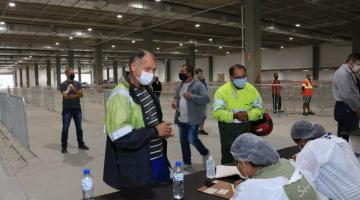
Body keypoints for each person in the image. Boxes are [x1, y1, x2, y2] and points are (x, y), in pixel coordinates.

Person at [103, 49, 173, 189]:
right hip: (140, 164)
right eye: (148, 69)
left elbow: (148, 119)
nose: (151, 74)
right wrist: (155, 131)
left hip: (158, 157)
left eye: (153, 70)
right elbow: (121, 138)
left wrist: (162, 128)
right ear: (133, 67)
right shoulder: (120, 95)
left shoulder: (146, 88)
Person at [230, 133, 320, 200]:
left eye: (237, 163)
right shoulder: (287, 163)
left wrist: (243, 187)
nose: (239, 167)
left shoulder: (249, 188)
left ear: (242, 163)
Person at [290, 120, 360, 200]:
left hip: (348, 196)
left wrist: (298, 158)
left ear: (302, 141)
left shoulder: (311, 147)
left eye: (298, 144)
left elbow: (299, 172)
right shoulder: (335, 139)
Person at [212, 64, 263, 164]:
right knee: (229, 157)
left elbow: (259, 109)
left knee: (247, 157)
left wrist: (249, 114)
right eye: (238, 77)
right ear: (231, 78)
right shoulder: (222, 91)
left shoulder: (251, 90)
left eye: (243, 76)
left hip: (246, 128)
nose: (241, 79)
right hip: (228, 130)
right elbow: (216, 112)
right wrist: (234, 115)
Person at [172, 64, 211, 172]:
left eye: (183, 71)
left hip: (193, 119)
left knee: (192, 139)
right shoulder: (181, 85)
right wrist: (175, 102)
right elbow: (176, 96)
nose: (181, 74)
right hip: (181, 118)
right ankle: (187, 163)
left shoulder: (198, 85)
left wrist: (191, 96)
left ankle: (205, 153)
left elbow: (206, 99)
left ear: (189, 73)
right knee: (183, 142)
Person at [59, 68, 89, 154]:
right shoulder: (63, 84)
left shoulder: (78, 84)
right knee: (65, 129)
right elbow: (66, 97)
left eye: (73, 73)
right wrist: (76, 95)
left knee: (79, 128)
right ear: (67, 74)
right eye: (71, 73)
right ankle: (64, 146)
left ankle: (81, 143)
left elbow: (81, 95)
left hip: (77, 109)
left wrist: (74, 89)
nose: (72, 74)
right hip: (67, 109)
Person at [332, 52, 360, 141]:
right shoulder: (342, 74)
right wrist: (356, 108)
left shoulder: (349, 72)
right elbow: (347, 95)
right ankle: (343, 153)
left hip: (349, 107)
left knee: (350, 134)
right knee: (345, 136)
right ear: (351, 62)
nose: (359, 67)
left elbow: (354, 90)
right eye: (358, 64)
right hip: (346, 107)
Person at [195, 68, 209, 135]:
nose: (201, 75)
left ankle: (201, 129)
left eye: (202, 73)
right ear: (196, 75)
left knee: (203, 116)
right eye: (199, 74)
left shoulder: (203, 82)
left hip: (203, 102)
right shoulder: (195, 82)